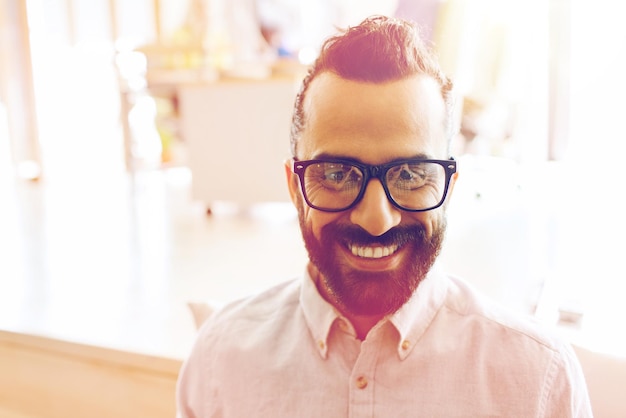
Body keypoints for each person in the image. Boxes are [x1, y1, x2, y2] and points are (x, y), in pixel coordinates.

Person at [177, 15, 592, 417]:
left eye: (411, 175)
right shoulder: (220, 361)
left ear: (449, 187)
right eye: (337, 174)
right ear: (294, 187)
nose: (377, 220)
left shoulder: (538, 379)